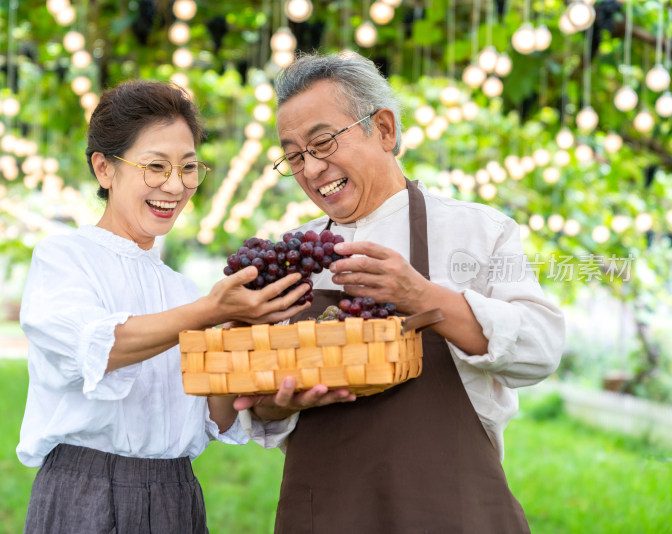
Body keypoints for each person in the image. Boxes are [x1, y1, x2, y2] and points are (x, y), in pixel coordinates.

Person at [233, 51, 565, 532]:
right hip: (325, 512)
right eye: (294, 156)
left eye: (322, 142)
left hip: (449, 509)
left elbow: (540, 350)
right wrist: (274, 403)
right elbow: (255, 404)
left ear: (384, 129)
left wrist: (422, 295)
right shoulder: (292, 255)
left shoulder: (478, 230)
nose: (310, 168)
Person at [16, 80, 315, 534]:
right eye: (156, 166)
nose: (175, 186)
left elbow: (216, 416)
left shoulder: (183, 290)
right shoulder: (64, 258)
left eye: (189, 168)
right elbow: (99, 347)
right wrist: (208, 312)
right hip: (85, 491)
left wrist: (232, 331)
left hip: (176, 494)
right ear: (104, 168)